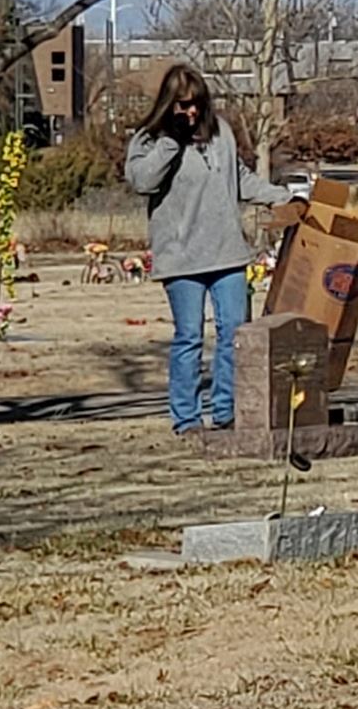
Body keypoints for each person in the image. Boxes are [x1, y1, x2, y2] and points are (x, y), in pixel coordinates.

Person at [124, 64, 294, 434]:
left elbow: (240, 180)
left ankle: (226, 410)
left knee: (235, 331)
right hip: (181, 257)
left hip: (228, 252)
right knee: (190, 335)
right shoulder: (149, 139)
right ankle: (186, 418)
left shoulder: (221, 134)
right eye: (183, 105)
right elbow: (142, 181)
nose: (191, 112)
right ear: (168, 104)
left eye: (197, 104)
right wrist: (172, 139)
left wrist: (281, 197)